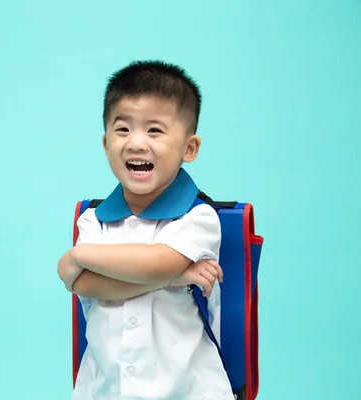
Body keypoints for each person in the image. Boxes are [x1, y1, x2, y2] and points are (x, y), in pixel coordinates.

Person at [57, 60, 234, 400]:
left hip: (188, 389)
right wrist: (174, 279)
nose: (137, 143)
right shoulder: (94, 220)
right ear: (106, 143)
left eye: (154, 130)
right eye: (123, 130)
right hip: (107, 388)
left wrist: (78, 255)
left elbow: (158, 262)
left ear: (189, 148)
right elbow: (87, 285)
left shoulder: (197, 217)